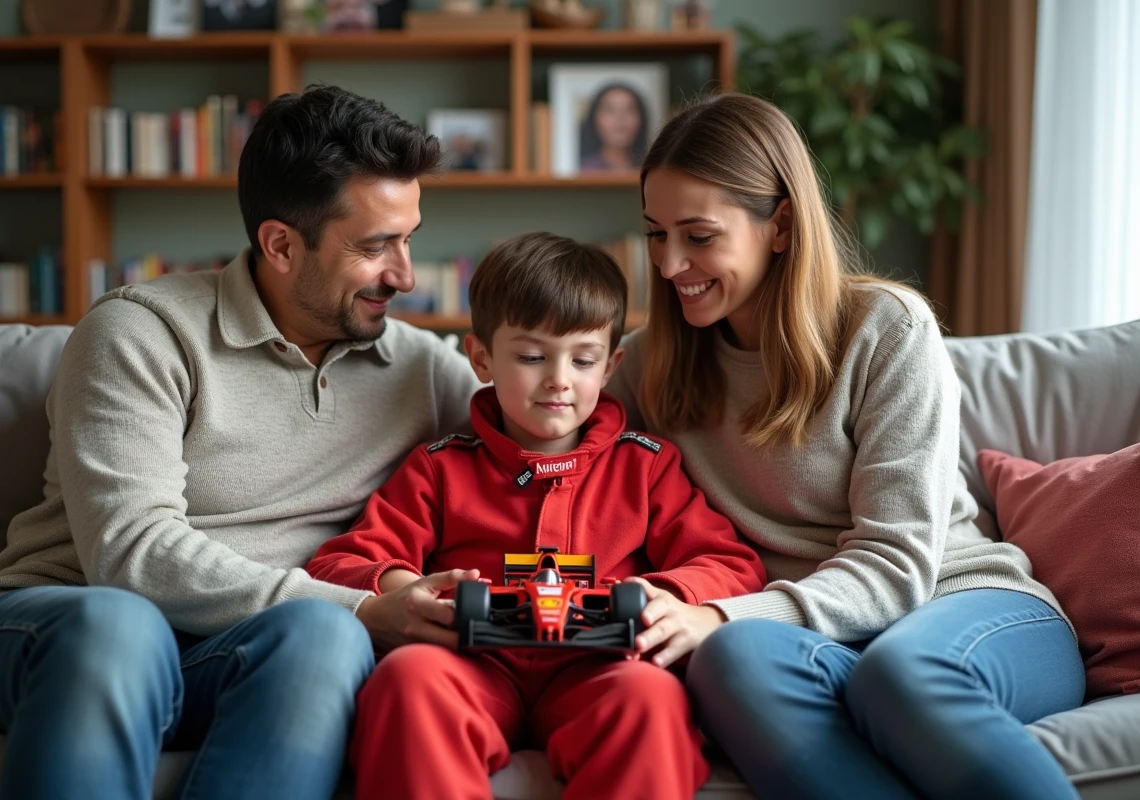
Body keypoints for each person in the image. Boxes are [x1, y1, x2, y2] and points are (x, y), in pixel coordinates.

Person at [0, 84, 483, 800]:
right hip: (55, 625)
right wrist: (353, 604)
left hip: (228, 652)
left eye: (408, 238)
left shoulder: (419, 368)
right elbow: (129, 554)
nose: (405, 275)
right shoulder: (142, 331)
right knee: (121, 629)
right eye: (377, 246)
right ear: (281, 245)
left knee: (324, 640)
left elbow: (557, 434)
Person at [607, 93, 1086, 800]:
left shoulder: (885, 328)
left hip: (965, 608)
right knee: (729, 656)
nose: (672, 263)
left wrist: (718, 614)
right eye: (654, 234)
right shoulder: (648, 366)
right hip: (809, 641)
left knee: (898, 673)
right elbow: (563, 476)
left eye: (699, 235)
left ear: (780, 223)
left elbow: (897, 566)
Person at [306, 231, 767, 800]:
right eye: (530, 356)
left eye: (583, 360)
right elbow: (343, 561)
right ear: (481, 358)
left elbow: (729, 562)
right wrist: (408, 590)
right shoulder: (440, 466)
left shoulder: (646, 465)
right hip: (473, 664)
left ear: (610, 366)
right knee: (406, 683)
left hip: (598, 667)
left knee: (650, 700)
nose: (558, 379)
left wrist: (664, 595)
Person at [579, 83, 648, 172]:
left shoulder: (653, 168)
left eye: (629, 110)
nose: (620, 118)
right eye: (610, 110)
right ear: (594, 118)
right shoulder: (581, 169)